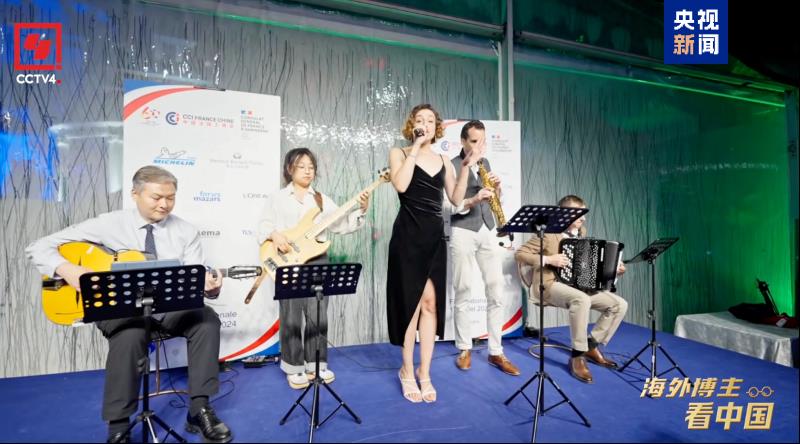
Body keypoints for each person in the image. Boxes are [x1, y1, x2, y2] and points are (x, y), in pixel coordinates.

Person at [26, 165, 231, 443]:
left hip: (167, 308)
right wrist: (67, 269)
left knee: (205, 319)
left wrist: (210, 288)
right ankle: (118, 427)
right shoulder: (108, 224)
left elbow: (193, 280)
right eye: (156, 197)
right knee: (130, 334)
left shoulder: (186, 231)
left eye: (170, 197)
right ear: (135, 194)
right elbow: (38, 247)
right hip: (119, 308)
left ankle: (199, 408)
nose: (164, 204)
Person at [257, 147, 370, 390]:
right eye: (302, 166)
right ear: (290, 169)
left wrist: (361, 209)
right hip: (288, 260)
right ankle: (293, 366)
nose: (307, 171)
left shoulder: (321, 199)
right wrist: (275, 235)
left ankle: (316, 364)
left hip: (317, 259)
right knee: (291, 314)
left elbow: (341, 224)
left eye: (311, 167)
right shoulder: (277, 198)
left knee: (318, 312)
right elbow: (264, 225)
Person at [386, 104, 477, 403]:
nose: (424, 124)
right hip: (407, 237)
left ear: (436, 127)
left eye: (429, 120)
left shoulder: (444, 160)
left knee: (430, 304)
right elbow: (401, 185)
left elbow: (456, 199)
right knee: (410, 305)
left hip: (434, 238)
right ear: (412, 125)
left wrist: (465, 167)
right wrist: (415, 147)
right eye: (419, 120)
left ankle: (424, 372)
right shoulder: (399, 153)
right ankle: (406, 370)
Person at [514, 194, 628, 384]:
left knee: (619, 305)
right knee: (581, 300)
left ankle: (591, 346)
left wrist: (613, 269)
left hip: (578, 286)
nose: (584, 218)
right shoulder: (549, 234)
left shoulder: (581, 232)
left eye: (584, 213)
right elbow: (520, 254)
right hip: (549, 285)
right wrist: (548, 259)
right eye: (579, 214)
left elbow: (590, 266)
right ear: (564, 214)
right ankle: (577, 355)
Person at [449, 120, 520, 376]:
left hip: (488, 228)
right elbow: (451, 205)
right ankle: (464, 348)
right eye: (474, 141)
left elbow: (493, 200)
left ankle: (496, 351)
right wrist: (473, 199)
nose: (480, 146)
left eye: (483, 141)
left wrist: (497, 190)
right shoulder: (451, 165)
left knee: (496, 290)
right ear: (463, 141)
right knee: (463, 289)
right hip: (462, 230)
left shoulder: (485, 163)